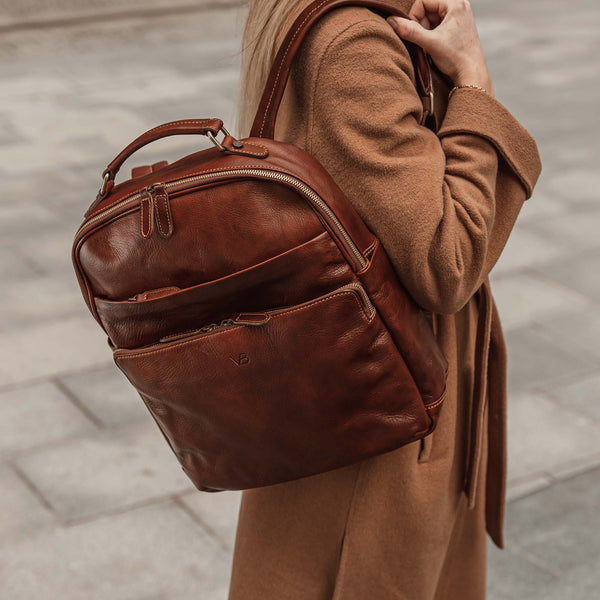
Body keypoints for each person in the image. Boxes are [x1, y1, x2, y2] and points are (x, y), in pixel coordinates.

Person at [229, 0, 542, 598]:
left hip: (367, 403)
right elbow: (447, 261)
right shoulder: (357, 44)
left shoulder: (338, 17)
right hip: (381, 440)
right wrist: (476, 83)